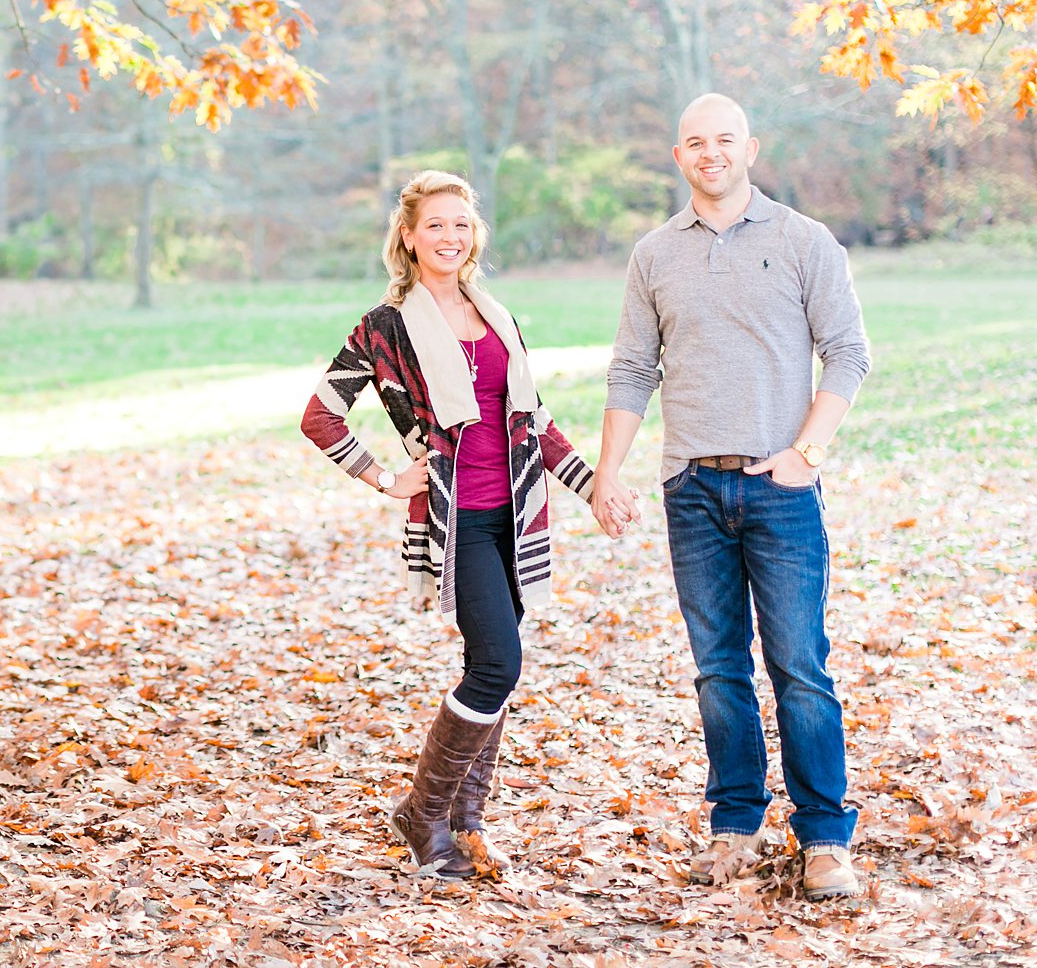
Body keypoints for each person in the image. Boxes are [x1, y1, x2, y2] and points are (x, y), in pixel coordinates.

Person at [301, 170, 628, 880]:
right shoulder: (385, 327)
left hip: (517, 513)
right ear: (409, 239)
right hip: (460, 523)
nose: (450, 236)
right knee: (497, 664)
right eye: (435, 225)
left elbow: (532, 423)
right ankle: (422, 812)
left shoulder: (498, 315)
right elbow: (320, 415)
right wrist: (385, 477)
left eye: (461, 223)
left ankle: (466, 819)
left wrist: (593, 488)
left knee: (492, 668)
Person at [590, 93, 872, 901]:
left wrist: (807, 453)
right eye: (693, 142)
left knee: (799, 667)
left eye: (723, 139)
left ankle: (824, 838)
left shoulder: (802, 241)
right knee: (718, 670)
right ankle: (735, 823)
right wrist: (611, 470)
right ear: (678, 157)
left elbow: (849, 352)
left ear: (751, 146)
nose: (709, 152)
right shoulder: (654, 254)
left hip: (780, 489)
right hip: (692, 488)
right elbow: (632, 369)